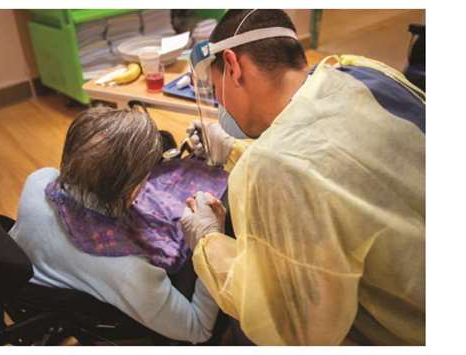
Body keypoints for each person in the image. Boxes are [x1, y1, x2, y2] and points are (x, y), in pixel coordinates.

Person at [181, 10, 425, 345]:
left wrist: (208, 242)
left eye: (215, 88)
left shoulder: (275, 169)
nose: (219, 103)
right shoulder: (358, 71)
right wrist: (234, 150)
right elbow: (336, 163)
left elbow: (292, 326)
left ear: (233, 66)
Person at [8, 107, 229, 344]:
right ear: (133, 190)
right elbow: (198, 329)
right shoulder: (130, 270)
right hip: (101, 313)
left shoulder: (39, 180)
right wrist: (211, 243)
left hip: (29, 287)